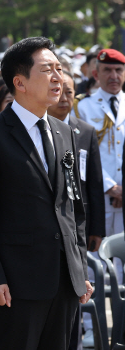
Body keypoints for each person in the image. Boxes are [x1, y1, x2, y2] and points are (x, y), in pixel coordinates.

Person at [0, 37, 92, 349]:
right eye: (48, 70)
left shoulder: (65, 132)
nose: (58, 78)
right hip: (16, 283)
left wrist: (79, 268)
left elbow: (73, 207)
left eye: (60, 69)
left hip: (65, 282)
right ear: (19, 82)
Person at [49, 70, 105, 350]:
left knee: (82, 286)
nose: (63, 98)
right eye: (60, 91)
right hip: (51, 228)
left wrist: (97, 228)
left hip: (77, 224)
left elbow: (93, 184)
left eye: (69, 92)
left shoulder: (84, 131)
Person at [77, 49, 125, 262]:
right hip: (99, 193)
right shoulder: (83, 107)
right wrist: (109, 186)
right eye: (107, 70)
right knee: (96, 256)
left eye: (119, 70)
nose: (114, 76)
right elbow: (81, 152)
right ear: (96, 74)